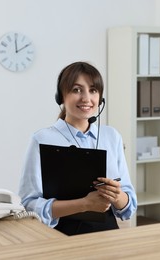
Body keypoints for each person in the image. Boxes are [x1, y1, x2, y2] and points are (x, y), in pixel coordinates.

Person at [18, 61, 137, 235]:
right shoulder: (42, 139)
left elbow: (128, 204)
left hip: (108, 234)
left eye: (93, 90)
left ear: (100, 98)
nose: (86, 98)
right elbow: (28, 205)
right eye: (76, 90)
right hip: (60, 234)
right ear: (61, 97)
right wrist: (85, 204)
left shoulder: (111, 136)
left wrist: (117, 196)